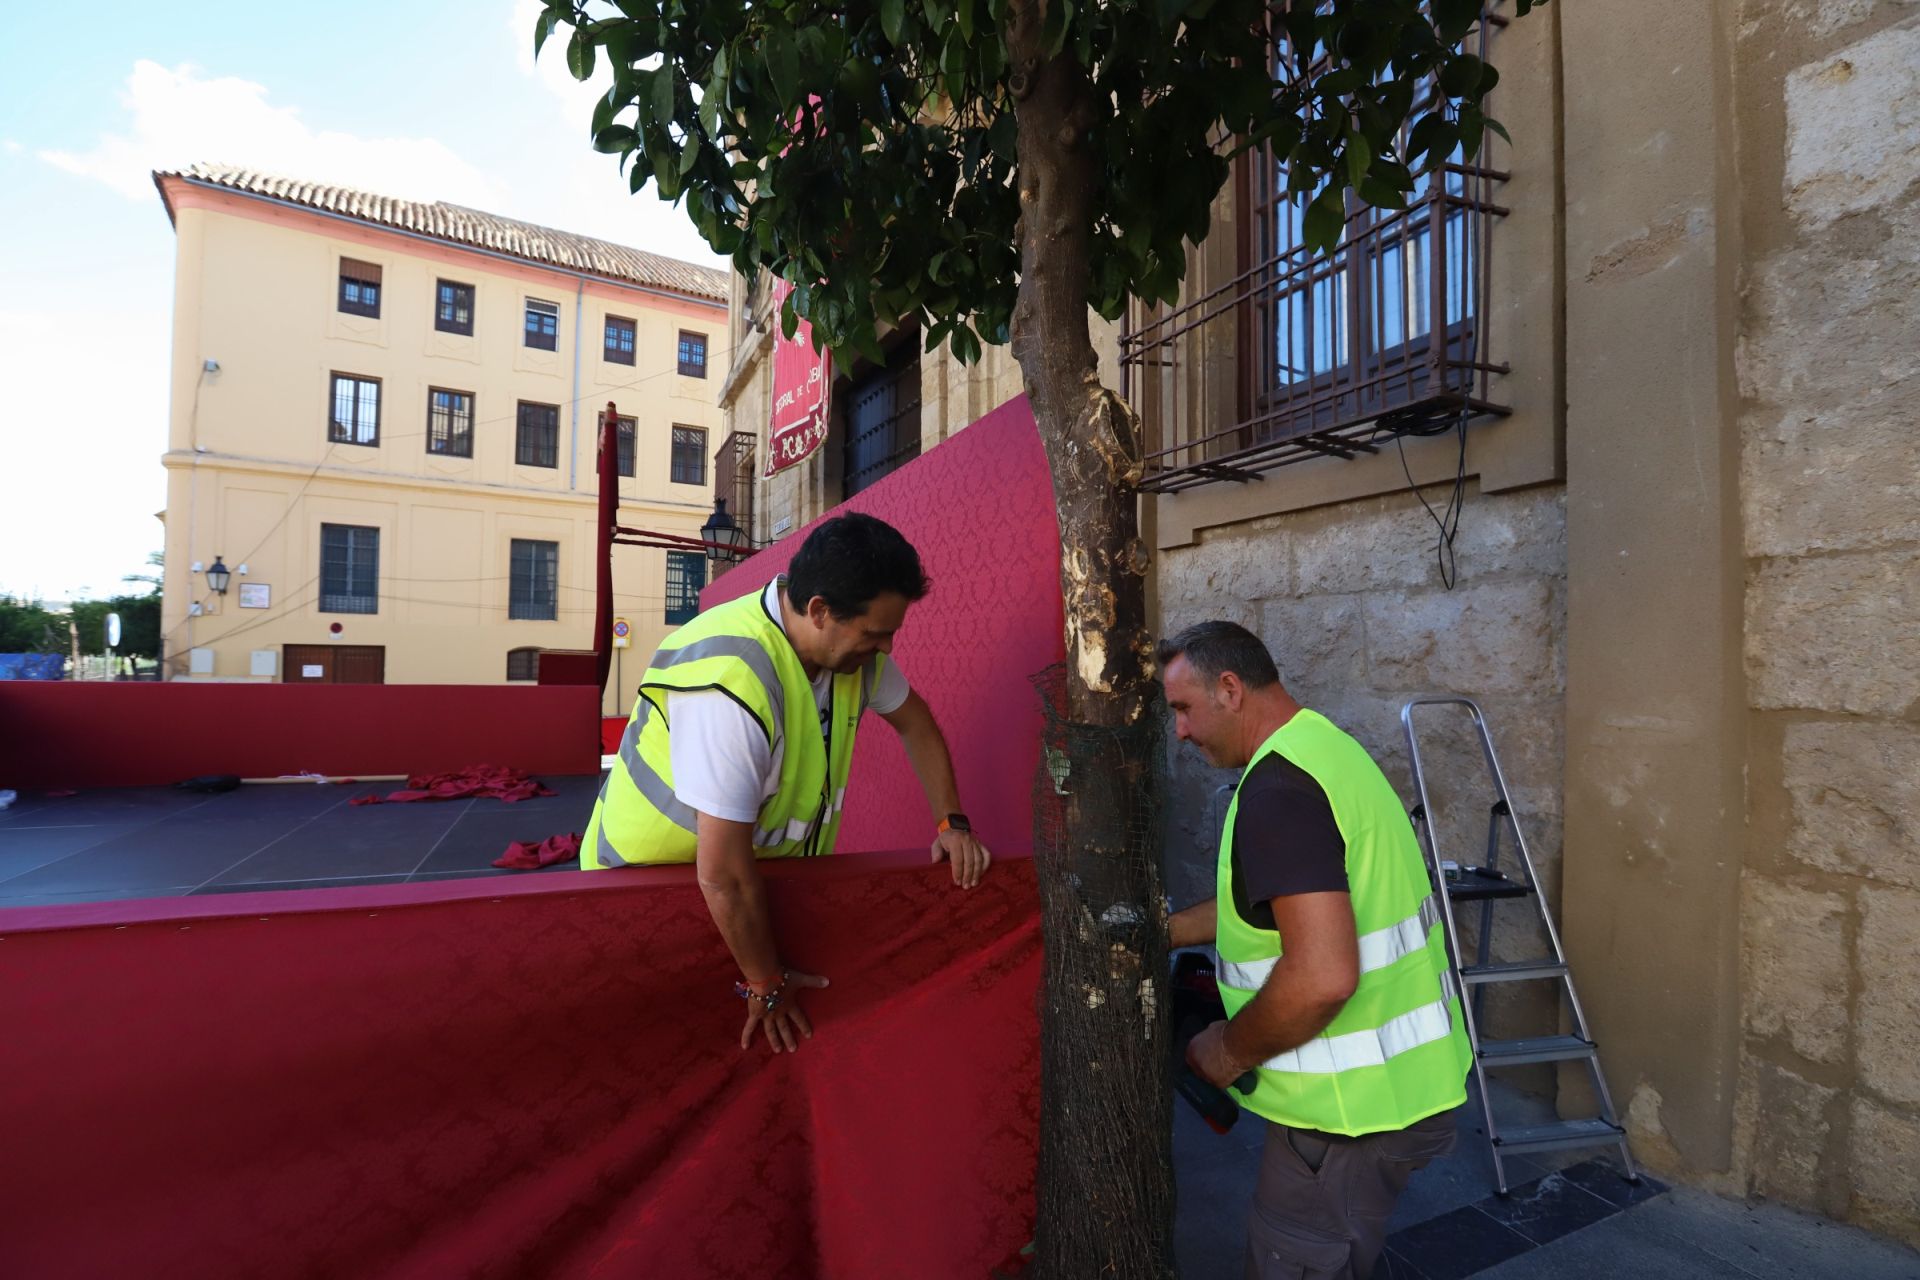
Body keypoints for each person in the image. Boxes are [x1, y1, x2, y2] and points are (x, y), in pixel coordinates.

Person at [582, 512, 992, 1055]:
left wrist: (951, 821)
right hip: (640, 901)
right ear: (819, 610)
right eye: (876, 633)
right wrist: (767, 986)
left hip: (743, 896)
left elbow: (915, 722)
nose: (887, 650)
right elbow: (723, 875)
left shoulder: (853, 655)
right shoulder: (729, 680)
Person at [1159, 621, 1470, 1280]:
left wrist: (1224, 1050)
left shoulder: (1279, 792)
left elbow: (1322, 975)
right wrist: (1171, 931)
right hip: (1401, 1091)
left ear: (1230, 688)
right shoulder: (1325, 751)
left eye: (1182, 709)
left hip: (1345, 1119)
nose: (1180, 731)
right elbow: (1288, 900)